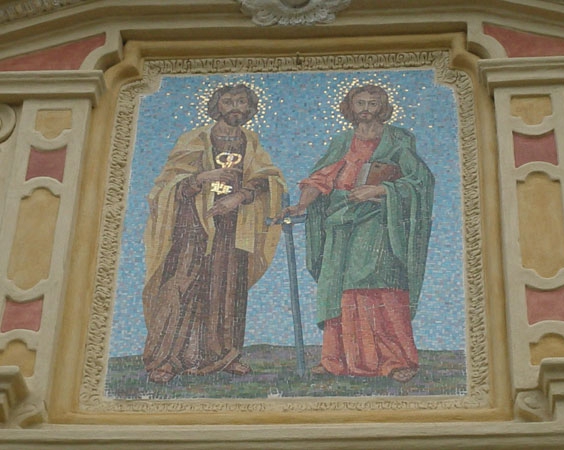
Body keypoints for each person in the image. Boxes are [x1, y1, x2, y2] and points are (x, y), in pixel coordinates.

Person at [280, 84, 434, 382]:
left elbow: (420, 181)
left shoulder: (397, 139)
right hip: (341, 223)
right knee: (338, 289)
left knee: (377, 284)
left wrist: (379, 189)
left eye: (372, 103)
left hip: (378, 222)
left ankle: (395, 361)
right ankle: (337, 361)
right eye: (360, 103)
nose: (365, 109)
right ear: (350, 107)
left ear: (382, 107)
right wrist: (302, 205)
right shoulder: (342, 141)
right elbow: (321, 178)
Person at [142, 84, 286, 383]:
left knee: (227, 288)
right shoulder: (195, 138)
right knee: (182, 284)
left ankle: (224, 356)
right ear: (216, 106)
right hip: (194, 225)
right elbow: (167, 185)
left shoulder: (250, 141)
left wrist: (240, 196)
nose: (235, 107)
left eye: (241, 102)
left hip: (232, 228)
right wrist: (202, 178)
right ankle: (166, 359)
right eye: (228, 101)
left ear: (250, 108)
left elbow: (268, 178)